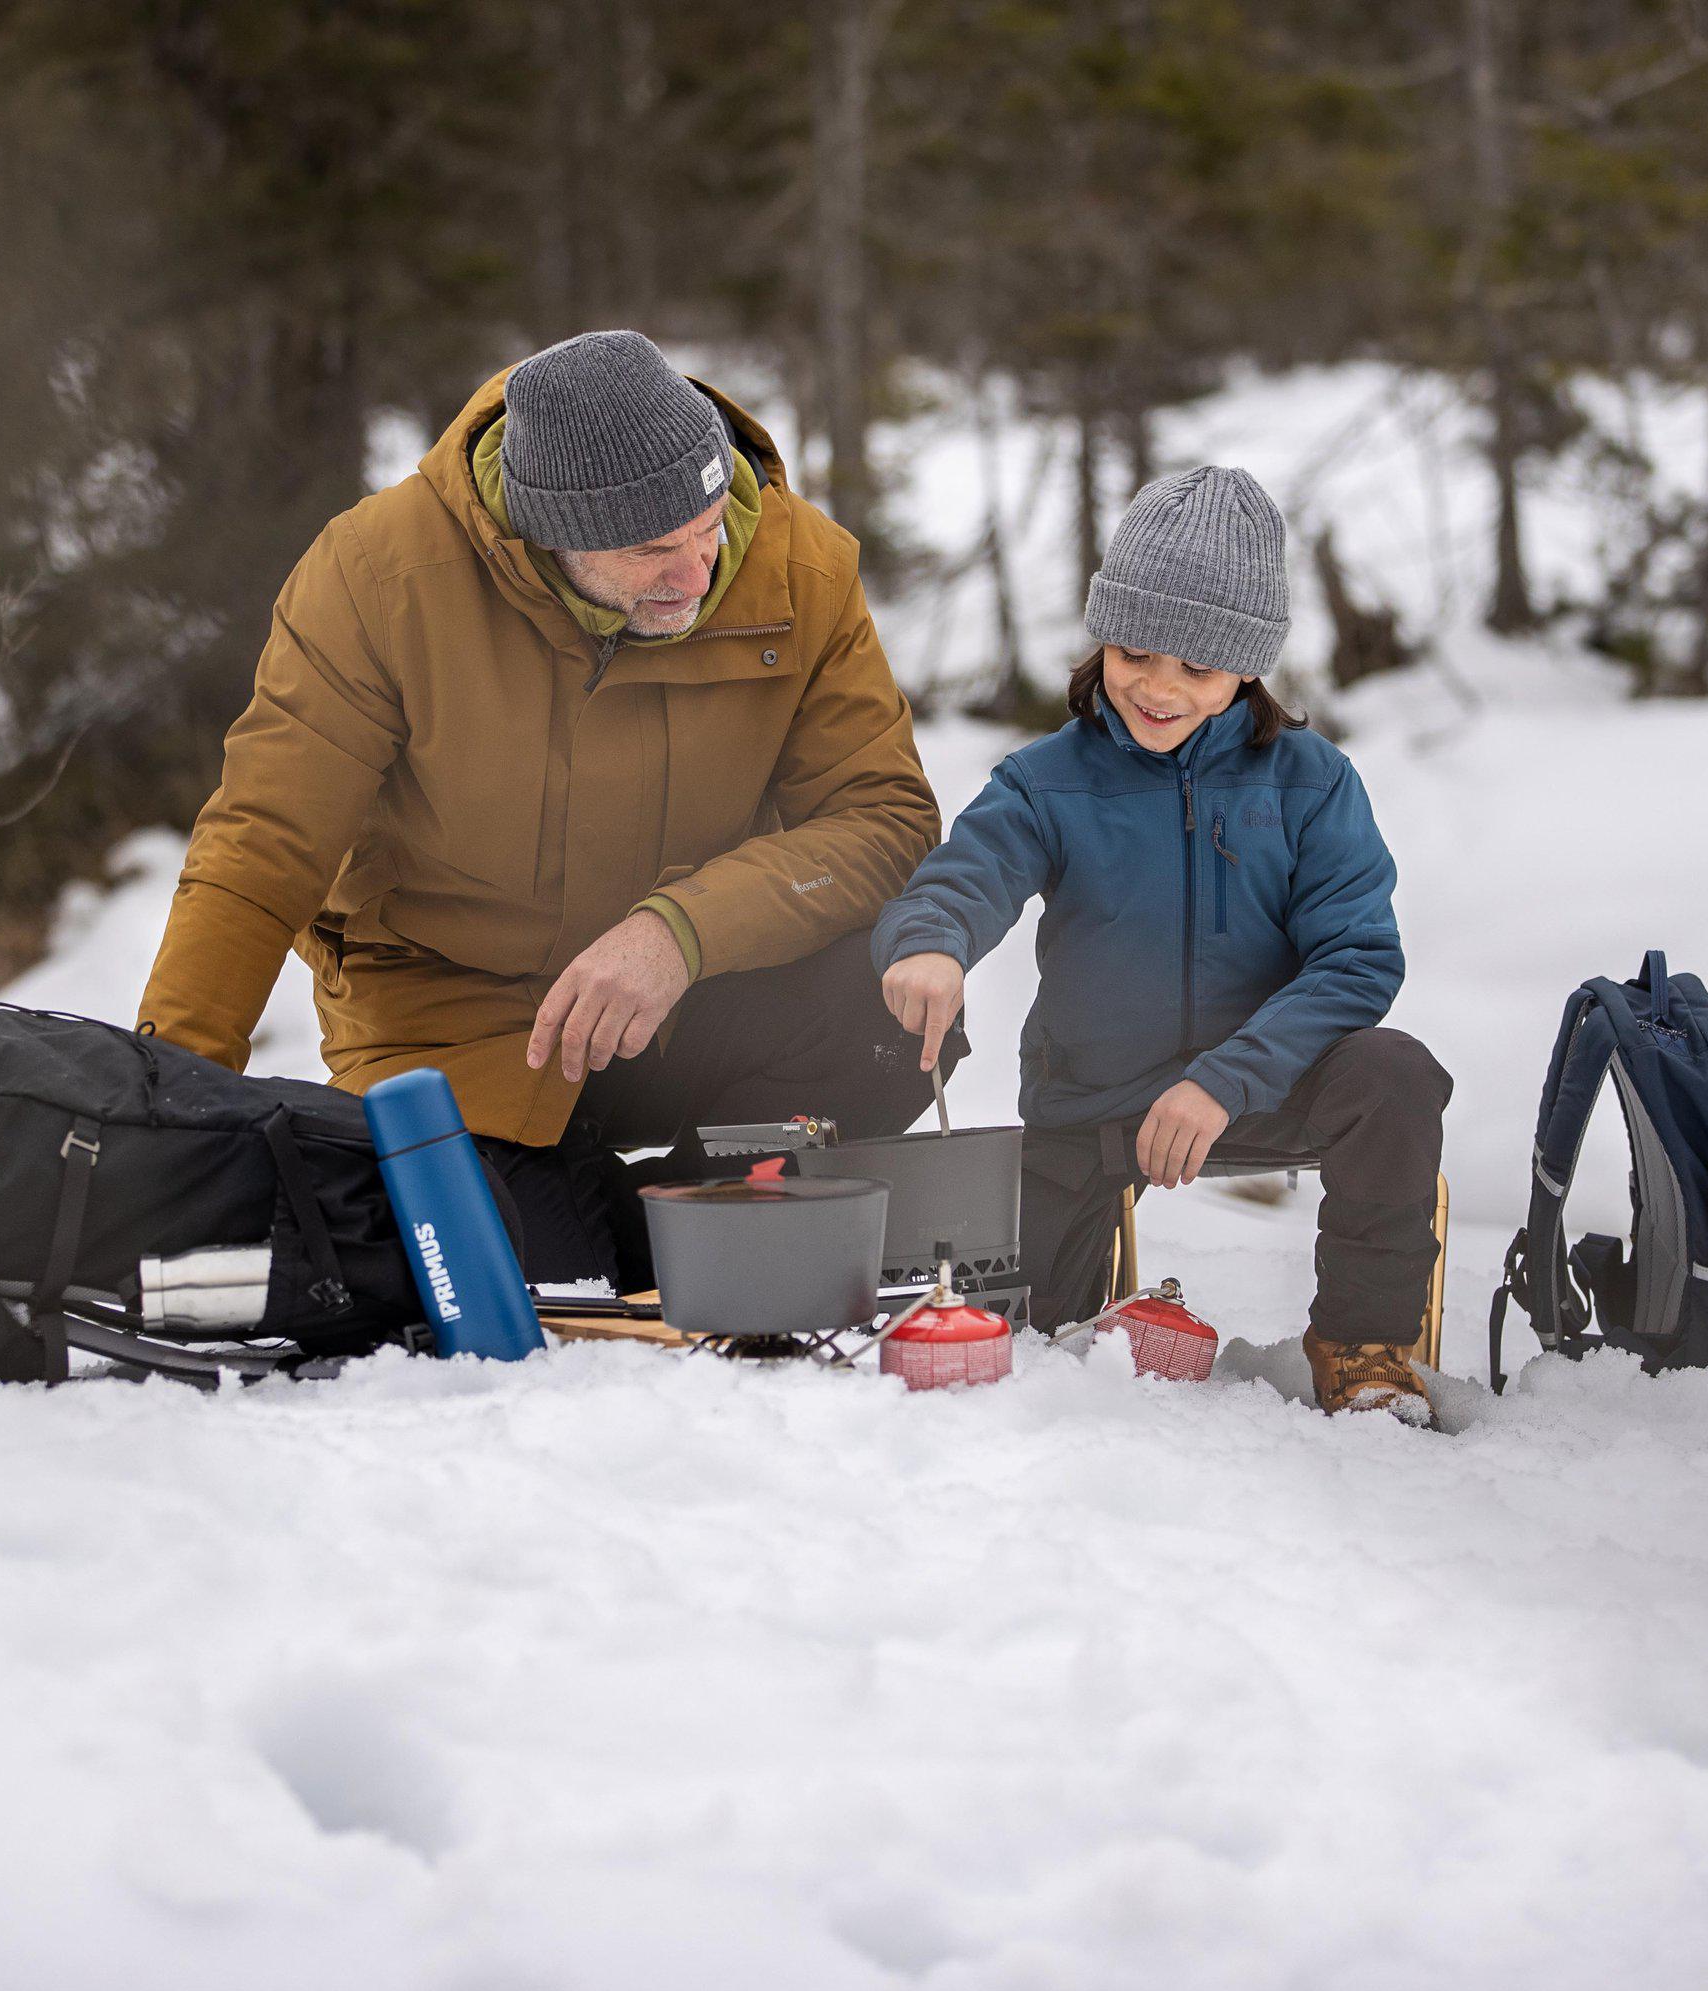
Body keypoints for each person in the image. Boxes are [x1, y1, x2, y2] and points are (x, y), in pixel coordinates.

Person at [138, 330, 963, 1291]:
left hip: (679, 1002)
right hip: (456, 1021)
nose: (697, 577)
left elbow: (884, 817)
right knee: (524, 1265)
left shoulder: (801, 568)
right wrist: (168, 1112)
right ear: (549, 532)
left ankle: (707, 1215)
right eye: (655, 549)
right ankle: (615, 1219)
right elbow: (262, 845)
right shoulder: (376, 578)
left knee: (894, 1007)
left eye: (710, 528)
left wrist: (681, 931)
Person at [871, 466, 1450, 1423]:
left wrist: (1228, 1078)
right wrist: (929, 943)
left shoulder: (1310, 784)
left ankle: (1361, 1345)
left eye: (1198, 668)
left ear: (1248, 668)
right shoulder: (1045, 781)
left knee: (1395, 1074)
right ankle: (1076, 1305)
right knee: (1032, 1347)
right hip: (1093, 1102)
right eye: (1135, 652)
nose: (1159, 689)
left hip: (1268, 1091)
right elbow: (963, 874)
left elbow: (1358, 959)